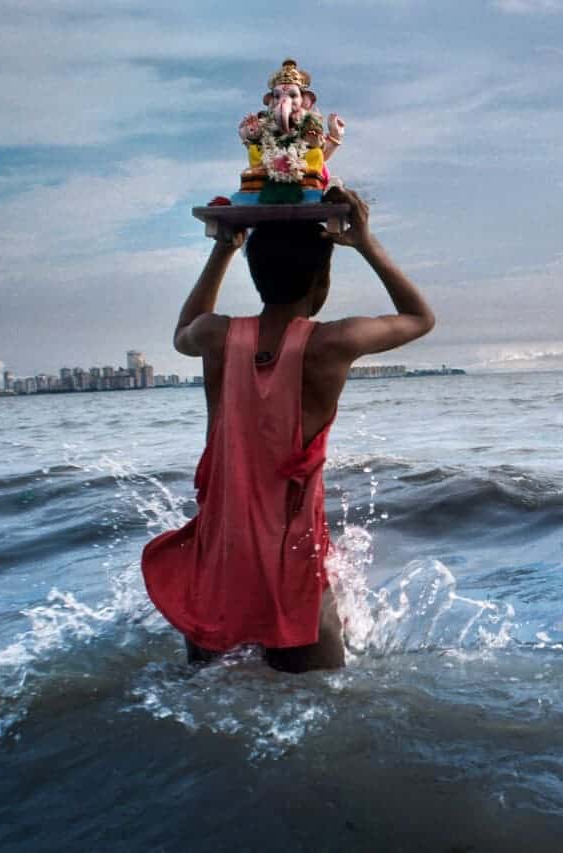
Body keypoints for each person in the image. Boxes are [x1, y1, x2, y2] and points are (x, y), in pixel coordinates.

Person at [141, 187, 434, 673]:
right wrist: (366, 242)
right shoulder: (331, 343)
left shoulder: (215, 334)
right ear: (321, 283)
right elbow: (421, 318)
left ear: (256, 276)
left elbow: (181, 332)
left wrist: (222, 248)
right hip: (291, 567)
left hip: (220, 563)